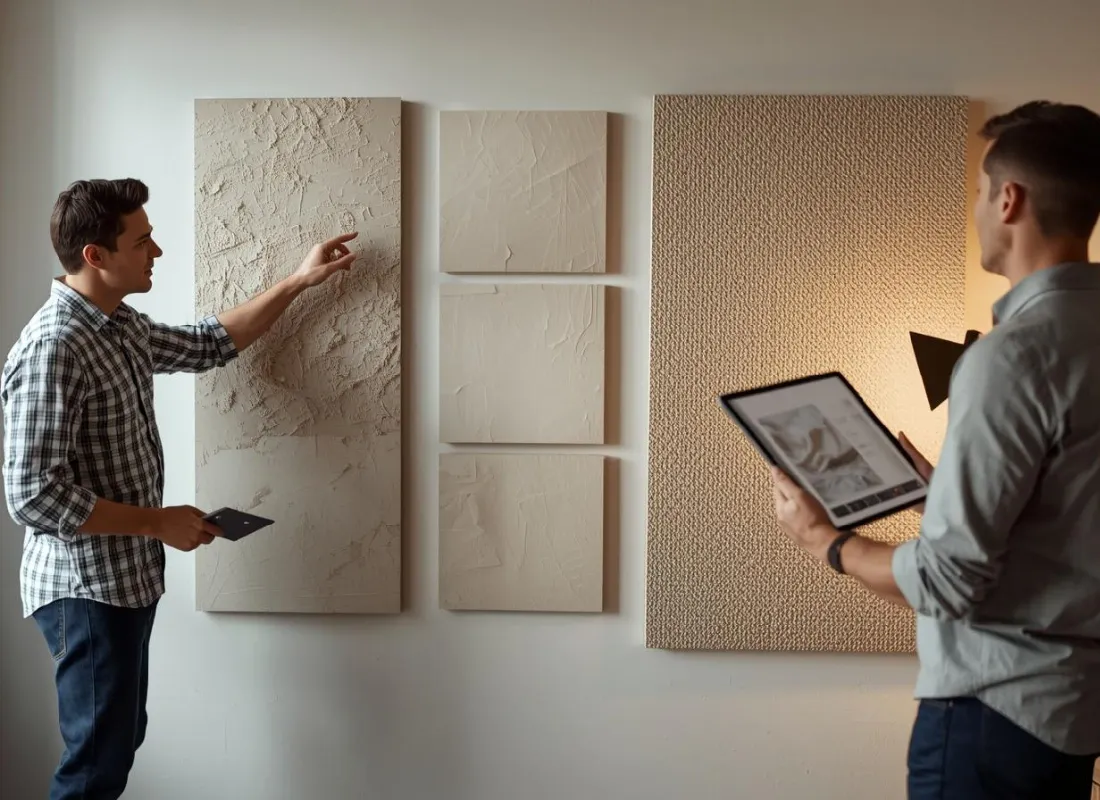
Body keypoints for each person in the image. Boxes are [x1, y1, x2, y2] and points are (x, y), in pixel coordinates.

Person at [768, 100, 1100, 799]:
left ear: (1008, 200)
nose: (977, 207)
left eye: (981, 191)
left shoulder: (1011, 357)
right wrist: (944, 490)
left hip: (990, 720)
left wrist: (825, 541)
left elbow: (950, 582)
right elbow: (1066, 514)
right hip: (1070, 720)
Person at [1, 178, 360, 800]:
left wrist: (301, 282)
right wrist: (156, 522)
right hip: (85, 591)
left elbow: (210, 343)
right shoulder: (54, 346)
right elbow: (32, 495)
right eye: (142, 241)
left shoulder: (121, 327)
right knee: (93, 768)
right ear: (96, 256)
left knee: (115, 747)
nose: (157, 252)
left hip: (125, 583)